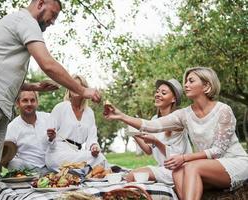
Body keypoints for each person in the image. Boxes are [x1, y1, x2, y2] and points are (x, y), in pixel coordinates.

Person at [0, 0, 101, 199]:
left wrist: (33, 87)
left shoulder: (18, 25)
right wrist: (82, 89)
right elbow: (47, 64)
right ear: (40, 3)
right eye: (52, 15)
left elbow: (2, 71)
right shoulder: (25, 20)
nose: (52, 21)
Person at [104, 67, 248, 200]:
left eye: (191, 81)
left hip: (234, 162)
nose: (185, 84)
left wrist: (184, 158)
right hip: (208, 165)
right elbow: (150, 125)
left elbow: (218, 150)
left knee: (190, 166)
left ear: (206, 86)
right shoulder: (184, 114)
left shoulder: (223, 110)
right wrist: (121, 115)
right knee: (178, 171)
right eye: (185, 81)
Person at [124, 79, 192, 185]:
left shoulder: (177, 119)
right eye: (157, 91)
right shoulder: (154, 119)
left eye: (163, 93)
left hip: (179, 169)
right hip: (163, 169)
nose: (158, 94)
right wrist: (134, 133)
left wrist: (156, 142)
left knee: (132, 176)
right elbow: (148, 150)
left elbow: (175, 158)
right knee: (128, 177)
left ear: (173, 99)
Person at [46, 75, 109, 171]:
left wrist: (94, 147)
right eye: (72, 85)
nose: (75, 88)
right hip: (58, 153)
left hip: (77, 153)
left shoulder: (89, 112)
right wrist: (51, 137)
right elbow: (47, 136)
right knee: (99, 160)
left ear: (84, 90)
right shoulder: (61, 107)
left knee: (98, 157)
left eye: (78, 86)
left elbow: (92, 139)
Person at [4, 90, 56, 175]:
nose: (29, 104)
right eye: (25, 100)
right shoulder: (12, 127)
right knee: (14, 164)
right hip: (29, 170)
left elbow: (60, 143)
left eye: (32, 100)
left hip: (51, 166)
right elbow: (6, 157)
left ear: (37, 103)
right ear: (18, 103)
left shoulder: (48, 118)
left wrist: (52, 138)